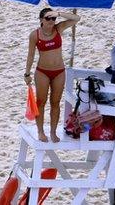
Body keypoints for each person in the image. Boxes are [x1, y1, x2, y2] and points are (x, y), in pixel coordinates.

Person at [25, 8, 81, 143]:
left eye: (53, 18)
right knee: (41, 102)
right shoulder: (35, 35)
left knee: (55, 103)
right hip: (42, 71)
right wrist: (27, 73)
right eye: (47, 18)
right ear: (41, 20)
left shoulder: (58, 29)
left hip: (59, 72)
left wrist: (59, 14)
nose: (51, 21)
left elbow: (76, 18)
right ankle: (40, 131)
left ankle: (53, 132)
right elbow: (31, 55)